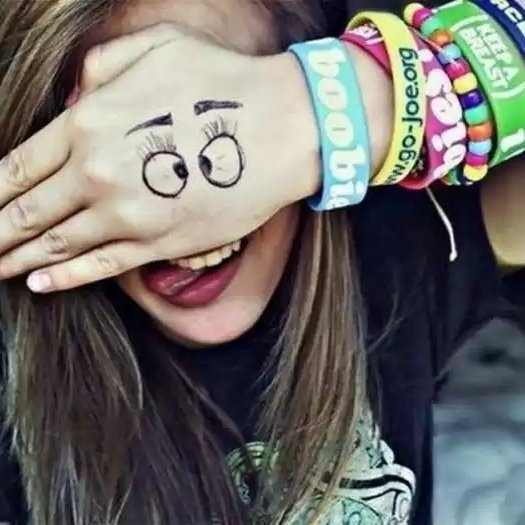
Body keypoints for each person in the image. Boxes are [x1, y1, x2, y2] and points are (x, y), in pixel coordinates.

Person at [0, 0, 524, 524]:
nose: (186, 213)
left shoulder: (395, 243)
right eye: (107, 149)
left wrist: (346, 102)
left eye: (213, 110)